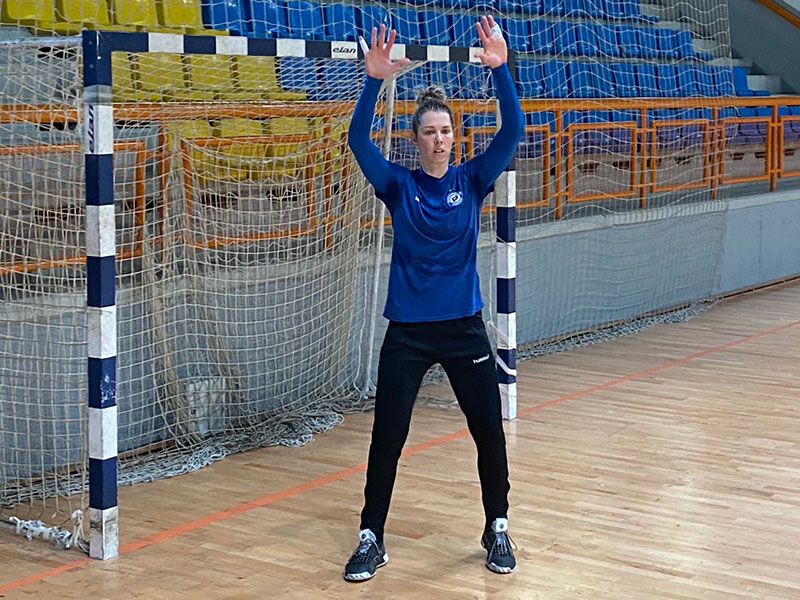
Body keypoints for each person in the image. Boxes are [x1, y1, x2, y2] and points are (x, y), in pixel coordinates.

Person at [343, 16, 524, 582]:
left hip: (464, 328)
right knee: (387, 437)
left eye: (446, 130)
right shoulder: (398, 185)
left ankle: (497, 527)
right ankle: (371, 536)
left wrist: (501, 71)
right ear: (416, 138)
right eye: (429, 131)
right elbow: (357, 141)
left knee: (488, 431)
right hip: (408, 332)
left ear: (454, 136)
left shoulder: (472, 180)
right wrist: (373, 80)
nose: (439, 139)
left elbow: (513, 131)